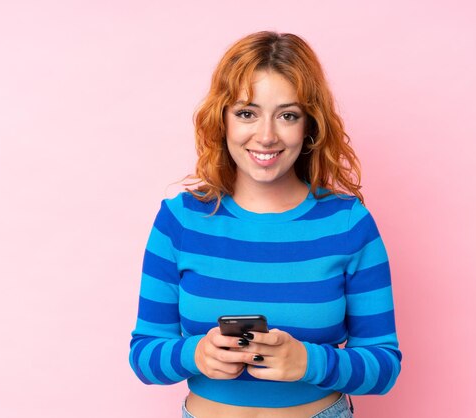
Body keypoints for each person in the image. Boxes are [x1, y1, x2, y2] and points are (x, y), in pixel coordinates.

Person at [129, 31, 401, 418]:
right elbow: (144, 355)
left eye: (287, 115)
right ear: (221, 120)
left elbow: (384, 366)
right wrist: (196, 354)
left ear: (309, 126)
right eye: (246, 113)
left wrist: (310, 363)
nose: (267, 135)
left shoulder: (348, 224)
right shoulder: (180, 220)